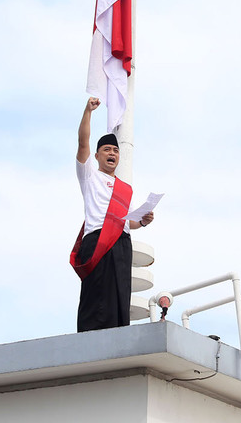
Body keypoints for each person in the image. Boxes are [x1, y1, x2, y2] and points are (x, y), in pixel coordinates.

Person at [70, 97, 154, 332]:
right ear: (97, 156)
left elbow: (126, 221)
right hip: (98, 240)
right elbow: (82, 142)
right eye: (107, 149)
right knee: (97, 297)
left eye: (116, 150)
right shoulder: (89, 175)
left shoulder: (124, 187)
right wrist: (88, 111)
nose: (112, 154)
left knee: (119, 296)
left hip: (121, 245)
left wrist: (143, 221)